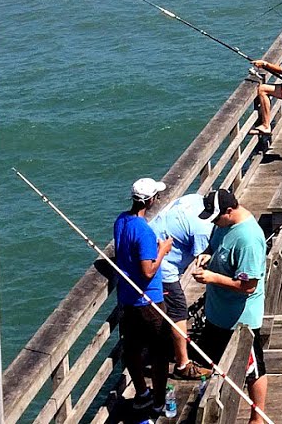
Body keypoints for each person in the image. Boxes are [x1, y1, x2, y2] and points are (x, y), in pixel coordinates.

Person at [192, 189, 271, 423]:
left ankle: (257, 418)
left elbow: (249, 286)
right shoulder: (223, 225)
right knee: (213, 363)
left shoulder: (248, 240)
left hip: (241, 321)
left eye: (216, 217)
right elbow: (214, 246)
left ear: (229, 211)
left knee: (253, 369)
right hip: (217, 314)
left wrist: (213, 278)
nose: (214, 222)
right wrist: (207, 255)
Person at [114, 177, 176, 417]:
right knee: (160, 353)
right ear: (150, 201)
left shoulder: (121, 221)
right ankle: (159, 401)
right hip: (149, 301)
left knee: (132, 348)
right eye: (156, 197)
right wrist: (163, 250)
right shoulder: (145, 231)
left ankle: (141, 394)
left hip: (127, 299)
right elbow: (148, 270)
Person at [151, 192, 215, 380]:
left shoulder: (195, 198)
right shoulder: (203, 228)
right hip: (163, 268)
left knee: (165, 311)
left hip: (150, 249)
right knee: (178, 312)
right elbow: (201, 261)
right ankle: (182, 364)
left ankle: (168, 346)